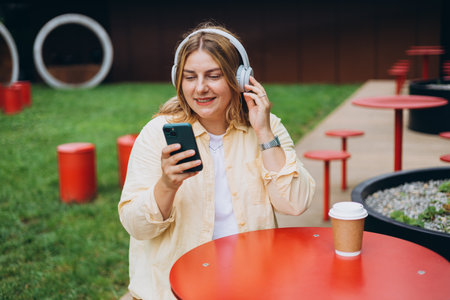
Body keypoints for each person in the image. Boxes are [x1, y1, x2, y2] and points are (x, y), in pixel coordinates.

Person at [118, 22, 315, 299]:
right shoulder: (156, 135)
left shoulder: (267, 128)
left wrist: (264, 132)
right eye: (189, 77)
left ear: (240, 79)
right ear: (178, 80)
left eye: (213, 75)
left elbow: (295, 204)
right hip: (175, 290)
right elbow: (137, 227)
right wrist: (166, 185)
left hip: (251, 284)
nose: (200, 88)